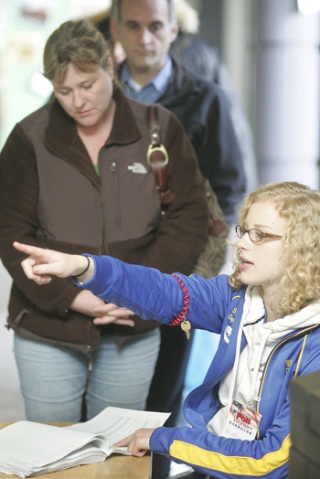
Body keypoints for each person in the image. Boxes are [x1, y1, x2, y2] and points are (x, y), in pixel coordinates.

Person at [13, 180, 320, 479]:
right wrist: (85, 267)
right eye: (244, 231)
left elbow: (270, 462)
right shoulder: (238, 297)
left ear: (301, 248)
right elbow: (165, 292)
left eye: (260, 235)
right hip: (213, 465)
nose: (241, 243)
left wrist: (166, 440)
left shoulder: (315, 346)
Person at [0, 19, 208, 423]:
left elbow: (189, 217)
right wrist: (74, 297)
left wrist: (136, 290)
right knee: (50, 451)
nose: (78, 101)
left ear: (111, 70)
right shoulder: (28, 139)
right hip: (48, 328)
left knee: (118, 451)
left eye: (88, 84)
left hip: (131, 329)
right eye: (64, 91)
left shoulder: (159, 128)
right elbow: (11, 232)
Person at [109, 3, 246, 476]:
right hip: (106, 269)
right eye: (133, 25)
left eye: (155, 26)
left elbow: (230, 187)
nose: (144, 37)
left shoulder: (207, 99)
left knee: (162, 396)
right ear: (116, 29)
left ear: (173, 31)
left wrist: (205, 266)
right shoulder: (94, 93)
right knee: (103, 405)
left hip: (177, 272)